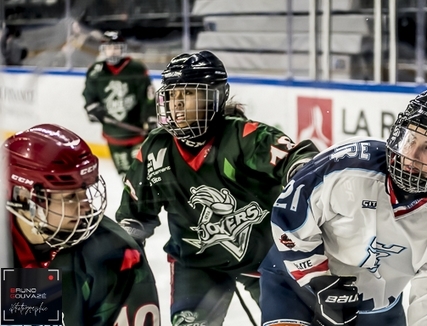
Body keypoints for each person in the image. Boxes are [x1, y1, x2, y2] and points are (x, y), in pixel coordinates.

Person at [114, 50, 319, 325]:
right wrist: (123, 252)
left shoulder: (244, 136)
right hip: (197, 265)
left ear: (216, 95)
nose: (177, 104)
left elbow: (298, 158)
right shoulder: (156, 149)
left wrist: (300, 172)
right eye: (172, 95)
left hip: (266, 260)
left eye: (187, 94)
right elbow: (134, 215)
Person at [259, 86, 427, 326]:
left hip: (377, 310)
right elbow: (289, 219)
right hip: (297, 284)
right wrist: (318, 280)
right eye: (410, 139)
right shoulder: (346, 166)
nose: (412, 155)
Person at [2, 123, 160, 326]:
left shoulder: (115, 257)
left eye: (84, 192)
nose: (85, 207)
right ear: (24, 198)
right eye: (69, 197)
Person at [82, 30, 156, 179]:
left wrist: (151, 119)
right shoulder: (95, 72)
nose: (113, 51)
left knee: (144, 174)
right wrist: (93, 108)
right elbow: (89, 96)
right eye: (109, 48)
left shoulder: (136, 68)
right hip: (114, 135)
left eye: (116, 47)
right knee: (126, 176)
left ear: (123, 49)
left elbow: (148, 98)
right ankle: (133, 202)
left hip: (138, 132)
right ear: (103, 50)